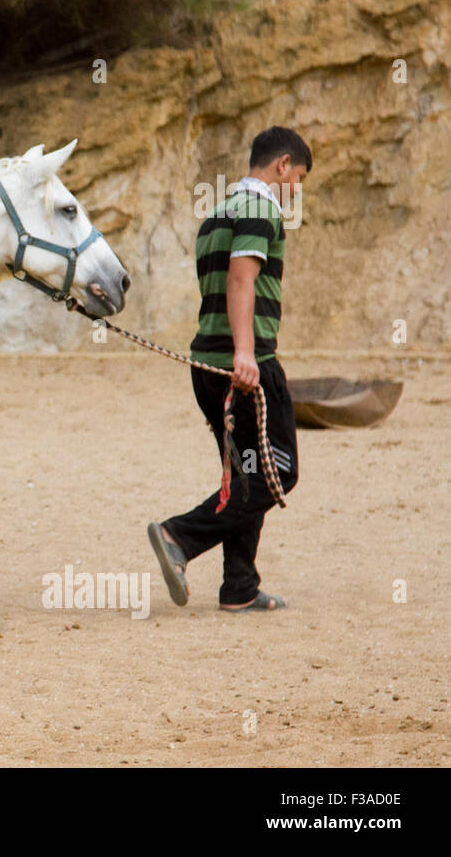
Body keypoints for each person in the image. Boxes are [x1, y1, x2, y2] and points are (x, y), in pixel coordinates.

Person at [148, 126, 310, 612]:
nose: (296, 191)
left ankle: (239, 585)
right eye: (298, 179)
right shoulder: (262, 208)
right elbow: (241, 280)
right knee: (278, 473)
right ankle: (179, 534)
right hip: (245, 365)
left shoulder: (217, 213)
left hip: (205, 365)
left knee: (247, 469)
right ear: (282, 165)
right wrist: (245, 354)